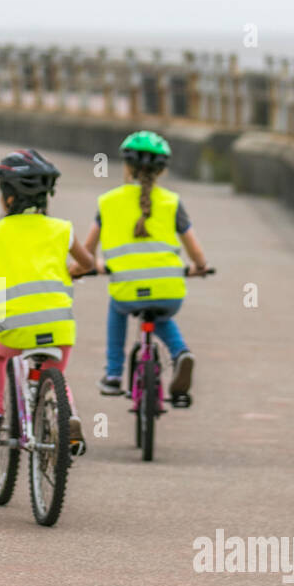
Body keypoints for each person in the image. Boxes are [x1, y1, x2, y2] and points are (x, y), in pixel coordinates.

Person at [0, 149, 95, 447]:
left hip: (14, 330)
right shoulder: (62, 229)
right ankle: (67, 416)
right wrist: (73, 271)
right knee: (53, 372)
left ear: (8, 197)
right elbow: (88, 263)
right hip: (60, 329)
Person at [82, 131, 209, 398]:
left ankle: (114, 373)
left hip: (126, 289)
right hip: (170, 289)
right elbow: (197, 254)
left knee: (118, 307)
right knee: (160, 312)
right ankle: (180, 352)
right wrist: (199, 268)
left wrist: (95, 267)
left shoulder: (108, 202)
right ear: (161, 171)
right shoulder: (172, 202)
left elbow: (86, 254)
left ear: (126, 166)